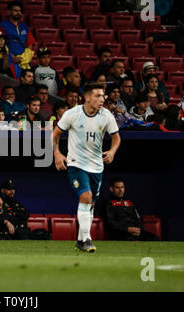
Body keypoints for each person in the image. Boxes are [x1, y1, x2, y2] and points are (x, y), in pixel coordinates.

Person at [53, 82, 121, 252]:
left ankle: (80, 240)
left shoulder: (106, 116)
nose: (102, 99)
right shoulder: (73, 114)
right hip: (76, 163)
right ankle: (88, 239)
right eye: (98, 96)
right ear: (87, 97)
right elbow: (55, 134)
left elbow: (116, 138)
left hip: (97, 166)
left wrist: (112, 151)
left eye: (103, 96)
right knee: (86, 196)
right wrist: (57, 154)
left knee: (90, 204)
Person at [104, 177, 159, 241]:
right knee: (130, 239)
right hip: (120, 234)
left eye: (122, 187)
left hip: (134, 233)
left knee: (154, 238)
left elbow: (138, 219)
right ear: (111, 189)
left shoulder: (129, 202)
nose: (120, 190)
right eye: (117, 188)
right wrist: (127, 229)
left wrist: (138, 230)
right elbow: (110, 223)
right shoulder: (108, 203)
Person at [0, 1, 37, 79]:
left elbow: (30, 44)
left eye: (19, 11)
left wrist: (24, 58)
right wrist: (12, 57)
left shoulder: (25, 27)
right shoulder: (2, 26)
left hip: (23, 61)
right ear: (9, 12)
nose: (18, 13)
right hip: (10, 60)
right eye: (15, 11)